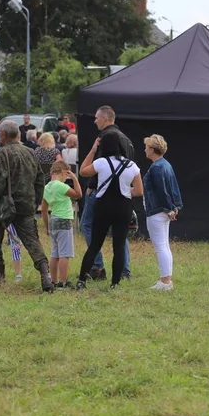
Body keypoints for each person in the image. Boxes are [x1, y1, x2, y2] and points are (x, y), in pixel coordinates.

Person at [0, 120, 54, 290]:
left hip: (4, 205)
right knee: (32, 240)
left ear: (3, 135)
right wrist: (36, 201)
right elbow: (40, 179)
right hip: (26, 204)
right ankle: (45, 275)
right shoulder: (30, 152)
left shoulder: (2, 154)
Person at [77, 130, 142, 289]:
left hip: (103, 206)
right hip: (123, 207)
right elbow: (139, 191)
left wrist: (93, 150)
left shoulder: (101, 162)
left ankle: (82, 280)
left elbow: (83, 171)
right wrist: (126, 191)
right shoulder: (132, 165)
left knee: (95, 245)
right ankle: (115, 282)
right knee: (118, 246)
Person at [79, 106, 134, 279]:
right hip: (121, 195)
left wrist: (92, 185)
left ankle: (97, 266)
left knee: (87, 225)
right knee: (120, 234)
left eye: (96, 118)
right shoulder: (126, 139)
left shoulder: (106, 137)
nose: (94, 121)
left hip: (102, 192)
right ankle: (123, 271)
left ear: (105, 118)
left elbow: (99, 165)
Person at [143, 134, 183, 289]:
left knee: (160, 246)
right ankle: (166, 280)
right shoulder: (165, 164)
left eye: (147, 147)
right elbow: (173, 187)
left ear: (153, 149)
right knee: (164, 245)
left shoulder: (156, 168)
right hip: (163, 211)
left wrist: (169, 208)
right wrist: (175, 206)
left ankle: (165, 281)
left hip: (157, 211)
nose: (145, 150)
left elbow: (162, 191)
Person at [42, 160, 83, 288]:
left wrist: (47, 227)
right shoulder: (61, 186)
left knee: (55, 254)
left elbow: (43, 209)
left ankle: (53, 281)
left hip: (53, 220)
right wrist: (75, 179)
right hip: (64, 220)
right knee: (65, 254)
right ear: (63, 172)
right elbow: (78, 195)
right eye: (66, 175)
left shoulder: (47, 187)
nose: (66, 178)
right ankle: (63, 282)